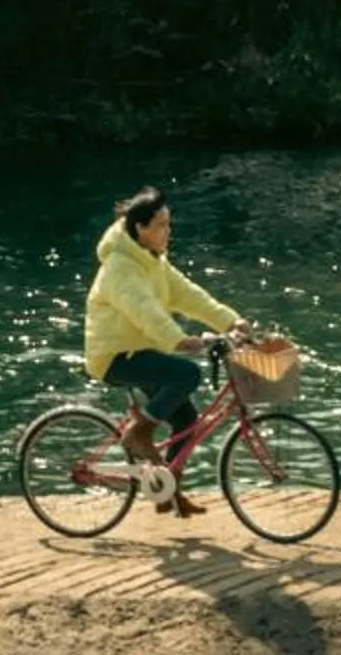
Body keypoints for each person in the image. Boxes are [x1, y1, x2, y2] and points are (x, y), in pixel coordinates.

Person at [83, 185, 246, 519]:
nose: (167, 232)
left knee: (186, 418)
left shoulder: (153, 261)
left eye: (169, 224)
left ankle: (165, 492)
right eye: (160, 225)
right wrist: (178, 339)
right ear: (140, 229)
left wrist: (231, 321)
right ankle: (139, 433)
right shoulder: (120, 268)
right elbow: (143, 309)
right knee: (187, 374)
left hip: (142, 351)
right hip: (115, 355)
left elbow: (189, 295)